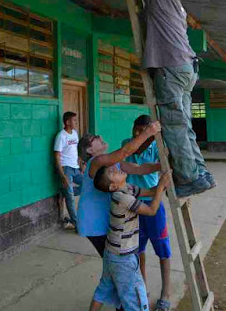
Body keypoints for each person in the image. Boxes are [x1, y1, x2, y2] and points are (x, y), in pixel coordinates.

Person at [139, 0, 216, 198]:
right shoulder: (179, 8)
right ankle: (201, 174)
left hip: (171, 68)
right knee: (185, 125)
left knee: (174, 124)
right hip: (187, 69)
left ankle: (189, 178)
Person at [89, 163, 170, 311]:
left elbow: (151, 192)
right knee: (136, 303)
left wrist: (162, 184)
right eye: (112, 172)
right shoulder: (123, 198)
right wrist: (160, 187)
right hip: (123, 258)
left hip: (111, 253)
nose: (115, 168)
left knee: (104, 289)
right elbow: (151, 210)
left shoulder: (127, 188)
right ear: (113, 186)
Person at [76, 123, 161, 257]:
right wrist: (149, 132)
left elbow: (139, 169)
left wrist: (160, 166)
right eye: (93, 139)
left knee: (113, 261)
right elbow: (125, 152)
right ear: (89, 151)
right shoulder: (95, 162)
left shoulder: (111, 163)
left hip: (103, 219)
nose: (99, 136)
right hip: (94, 221)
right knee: (115, 260)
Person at [121, 115, 171, 311]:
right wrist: (159, 165)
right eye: (136, 131)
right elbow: (138, 166)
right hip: (133, 203)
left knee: (162, 248)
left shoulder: (158, 147)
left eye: (143, 132)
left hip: (153, 202)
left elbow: (166, 169)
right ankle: (142, 288)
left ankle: (165, 293)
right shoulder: (128, 144)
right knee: (138, 248)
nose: (138, 135)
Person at [54, 111, 83, 230]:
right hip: (66, 169)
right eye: (74, 120)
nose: (76, 122)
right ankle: (77, 224)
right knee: (70, 198)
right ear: (67, 122)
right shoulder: (61, 136)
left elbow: (77, 151)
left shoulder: (75, 133)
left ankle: (65, 191)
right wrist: (63, 176)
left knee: (88, 184)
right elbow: (56, 156)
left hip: (76, 168)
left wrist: (81, 165)